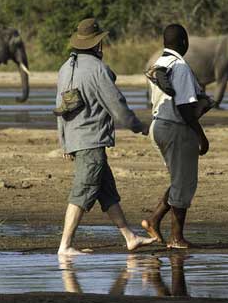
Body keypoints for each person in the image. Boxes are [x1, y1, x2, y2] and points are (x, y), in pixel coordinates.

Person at [55, 18, 156, 256]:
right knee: (82, 191)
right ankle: (65, 245)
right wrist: (138, 126)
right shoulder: (98, 69)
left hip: (75, 139)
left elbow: (59, 108)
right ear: (97, 44)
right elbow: (117, 106)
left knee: (106, 191)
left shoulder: (64, 67)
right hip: (91, 141)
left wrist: (64, 141)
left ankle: (129, 237)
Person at [141, 24, 210, 249]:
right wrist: (201, 136)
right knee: (184, 182)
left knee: (179, 180)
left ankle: (153, 220)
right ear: (184, 42)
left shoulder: (159, 63)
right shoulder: (179, 66)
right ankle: (176, 237)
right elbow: (185, 108)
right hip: (175, 127)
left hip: (158, 126)